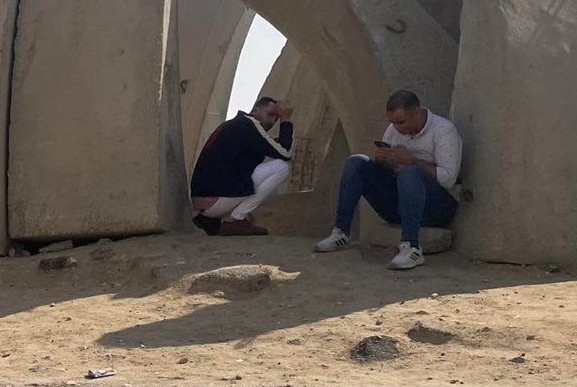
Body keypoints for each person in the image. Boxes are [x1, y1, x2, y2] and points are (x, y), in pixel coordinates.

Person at [315, 90, 463, 270]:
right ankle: (341, 232)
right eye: (393, 123)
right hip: (398, 205)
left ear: (417, 113)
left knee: (409, 172)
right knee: (357, 163)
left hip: (436, 208)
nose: (397, 128)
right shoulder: (393, 130)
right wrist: (383, 161)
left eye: (401, 122)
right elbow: (390, 172)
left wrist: (412, 161)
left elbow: (448, 179)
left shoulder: (443, 130)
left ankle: (411, 247)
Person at [189, 97, 295, 236]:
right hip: (215, 200)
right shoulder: (249, 125)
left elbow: (274, 148)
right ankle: (236, 219)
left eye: (276, 118)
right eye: (270, 114)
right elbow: (285, 152)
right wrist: (285, 119)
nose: (272, 121)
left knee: (271, 185)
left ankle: (211, 219)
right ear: (255, 109)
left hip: (204, 202)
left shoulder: (237, 125)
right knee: (280, 167)